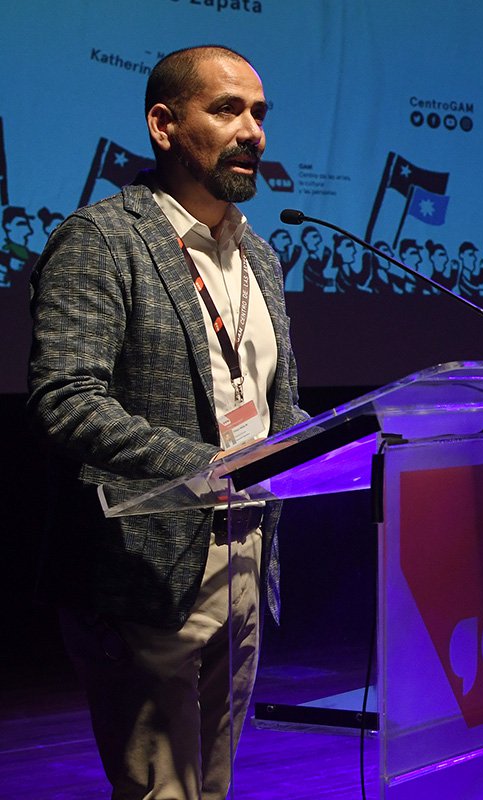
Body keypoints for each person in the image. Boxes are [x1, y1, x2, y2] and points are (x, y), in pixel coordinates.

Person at [27, 45, 307, 799]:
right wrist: (206, 467)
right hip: (146, 568)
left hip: (247, 551)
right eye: (227, 110)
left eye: (259, 114)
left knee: (213, 787)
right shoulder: (102, 240)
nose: (252, 132)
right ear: (163, 124)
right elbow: (66, 399)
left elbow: (277, 408)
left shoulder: (261, 257)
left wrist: (347, 441)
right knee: (163, 792)